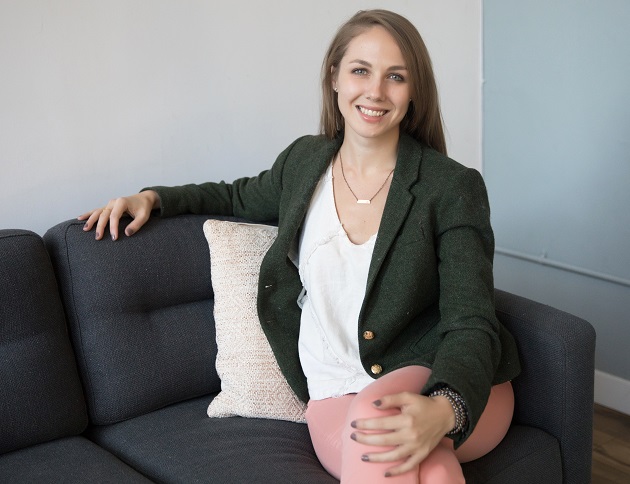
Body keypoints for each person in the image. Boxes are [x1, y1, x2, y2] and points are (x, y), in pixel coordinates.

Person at [79, 9, 520, 483]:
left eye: (396, 76)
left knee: (380, 422)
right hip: (333, 392)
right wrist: (153, 197)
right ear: (334, 77)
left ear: (414, 92)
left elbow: (471, 322)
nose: (375, 91)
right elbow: (235, 195)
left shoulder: (450, 187)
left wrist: (441, 409)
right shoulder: (304, 162)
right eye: (360, 71)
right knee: (426, 469)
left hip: (447, 378)